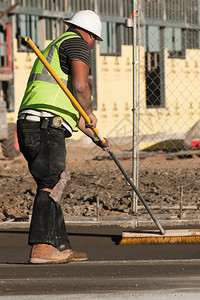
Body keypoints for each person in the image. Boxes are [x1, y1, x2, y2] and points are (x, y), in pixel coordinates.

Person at [17, 10, 110, 264]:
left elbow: (74, 111)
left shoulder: (57, 46)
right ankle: (42, 247)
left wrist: (96, 137)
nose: (93, 45)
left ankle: (60, 245)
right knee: (50, 181)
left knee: (55, 179)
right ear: (90, 34)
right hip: (45, 125)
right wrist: (90, 111)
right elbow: (81, 87)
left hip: (34, 123)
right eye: (95, 40)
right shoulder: (78, 43)